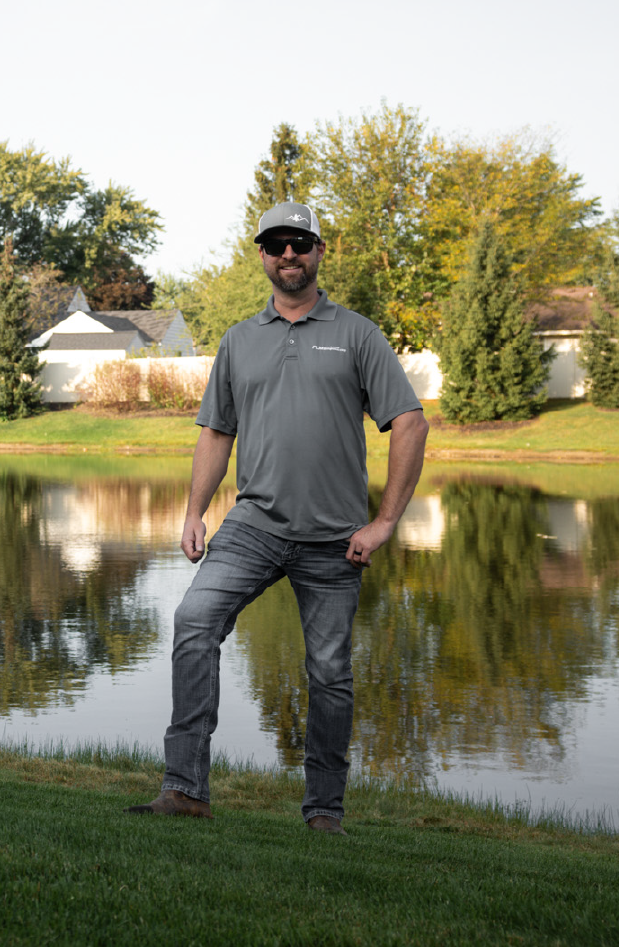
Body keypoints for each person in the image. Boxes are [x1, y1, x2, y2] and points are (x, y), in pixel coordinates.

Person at [125, 201, 428, 832]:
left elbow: (409, 422)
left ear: (320, 250)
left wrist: (386, 521)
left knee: (329, 672)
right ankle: (185, 789)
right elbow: (215, 433)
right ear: (261, 255)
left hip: (336, 540)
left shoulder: (356, 334)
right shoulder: (238, 339)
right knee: (194, 620)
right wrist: (193, 512)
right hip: (253, 526)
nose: (287, 253)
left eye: (299, 242)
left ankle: (324, 811)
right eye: (275, 244)